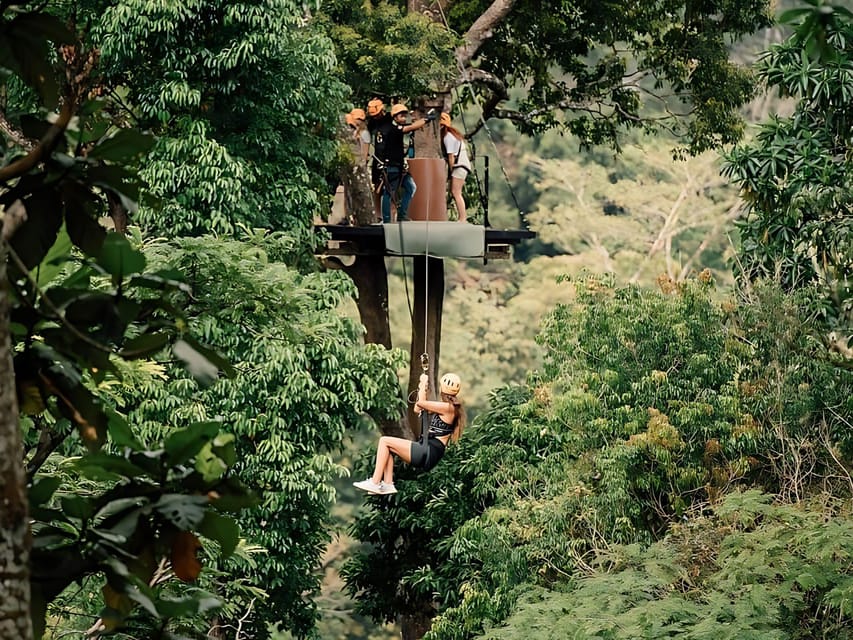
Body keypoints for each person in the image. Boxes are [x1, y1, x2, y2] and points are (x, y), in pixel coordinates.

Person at [353, 372, 466, 495]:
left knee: (384, 441)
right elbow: (417, 409)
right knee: (388, 448)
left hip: (429, 450)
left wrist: (423, 383)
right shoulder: (447, 408)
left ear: (442, 390)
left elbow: (420, 403)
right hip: (428, 450)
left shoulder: (448, 408)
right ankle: (387, 484)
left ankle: (374, 482)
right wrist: (422, 388)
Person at [375, 103, 435, 223]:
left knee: (411, 187)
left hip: (399, 167)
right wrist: (426, 119)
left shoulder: (397, 128)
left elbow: (410, 126)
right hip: (392, 167)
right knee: (389, 192)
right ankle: (386, 220)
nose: (403, 118)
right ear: (395, 117)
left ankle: (402, 215)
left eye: (404, 115)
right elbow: (410, 128)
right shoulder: (393, 129)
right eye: (401, 115)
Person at [440, 112, 472, 222]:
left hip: (459, 166)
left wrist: (451, 170)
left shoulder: (447, 137)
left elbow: (451, 157)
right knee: (455, 192)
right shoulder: (453, 134)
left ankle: (463, 218)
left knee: (456, 192)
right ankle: (462, 217)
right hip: (463, 166)